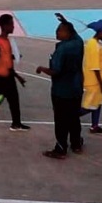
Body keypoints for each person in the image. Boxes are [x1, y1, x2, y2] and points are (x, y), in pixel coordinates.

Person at [36, 13, 84, 159]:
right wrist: (66, 22)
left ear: (67, 33)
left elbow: (56, 71)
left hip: (62, 91)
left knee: (61, 120)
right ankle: (76, 144)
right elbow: (75, 34)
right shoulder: (78, 43)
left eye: (59, 30)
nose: (56, 33)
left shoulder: (62, 49)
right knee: (74, 117)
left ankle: (61, 148)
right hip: (76, 89)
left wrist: (42, 69)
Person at [80, 20, 102, 134]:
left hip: (96, 79)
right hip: (94, 81)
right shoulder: (94, 46)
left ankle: (95, 126)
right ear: (100, 32)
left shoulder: (94, 43)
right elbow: (95, 67)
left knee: (98, 103)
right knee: (89, 105)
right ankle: (69, 117)